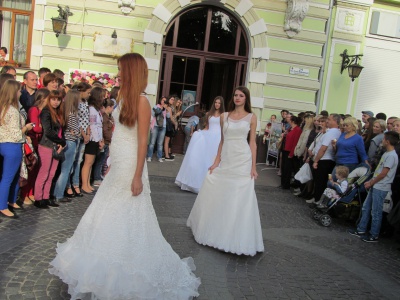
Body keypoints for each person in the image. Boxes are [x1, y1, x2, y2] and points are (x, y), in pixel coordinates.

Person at [49, 53, 200, 299]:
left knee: (126, 212)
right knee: (107, 210)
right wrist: (111, 161)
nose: (118, 73)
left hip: (132, 164)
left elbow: (143, 141)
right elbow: (120, 133)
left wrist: (138, 175)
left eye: (121, 70)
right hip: (119, 163)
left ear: (131, 72)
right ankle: (101, 264)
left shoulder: (142, 101)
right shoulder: (123, 97)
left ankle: (124, 268)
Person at [187, 86, 264, 256]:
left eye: (241, 95)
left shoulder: (252, 117)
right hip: (228, 157)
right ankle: (217, 230)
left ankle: (236, 235)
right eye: (235, 95)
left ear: (246, 98)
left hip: (243, 158)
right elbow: (222, 141)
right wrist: (216, 162)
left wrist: (253, 167)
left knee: (239, 194)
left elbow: (252, 143)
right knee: (220, 188)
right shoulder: (224, 116)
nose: (237, 98)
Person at [349, 131, 399, 242]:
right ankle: (361, 228)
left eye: (384, 139)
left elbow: (383, 173)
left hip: (381, 187)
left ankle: (374, 234)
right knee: (366, 207)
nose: (382, 141)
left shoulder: (391, 156)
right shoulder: (386, 153)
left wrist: (371, 182)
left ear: (388, 141)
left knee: (376, 211)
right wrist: (371, 181)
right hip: (376, 184)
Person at [176, 96, 224, 193]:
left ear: (221, 104)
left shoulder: (223, 115)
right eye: (216, 102)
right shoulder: (209, 114)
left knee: (213, 159)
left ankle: (213, 184)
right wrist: (199, 132)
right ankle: (197, 182)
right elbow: (207, 127)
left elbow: (223, 129)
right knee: (202, 158)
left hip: (218, 137)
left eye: (219, 103)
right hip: (208, 136)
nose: (217, 104)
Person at [0, 80, 34, 218]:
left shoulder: (4, 106)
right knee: (8, 177)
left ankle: (11, 200)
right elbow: (16, 133)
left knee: (12, 176)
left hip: (4, 143)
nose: (21, 92)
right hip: (12, 145)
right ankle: (2, 206)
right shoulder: (12, 110)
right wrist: (26, 128)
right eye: (19, 90)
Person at [34, 90, 65, 209]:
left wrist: (61, 143)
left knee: (51, 174)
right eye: (53, 99)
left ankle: (46, 197)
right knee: (44, 173)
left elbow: (59, 131)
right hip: (46, 145)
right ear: (49, 99)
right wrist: (61, 141)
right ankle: (38, 198)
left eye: (58, 99)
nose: (56, 102)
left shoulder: (57, 112)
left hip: (56, 146)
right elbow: (48, 131)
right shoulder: (46, 112)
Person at [53, 90, 81, 203]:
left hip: (66, 141)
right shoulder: (72, 114)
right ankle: (59, 194)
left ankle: (56, 192)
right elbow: (76, 131)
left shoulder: (64, 112)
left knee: (63, 169)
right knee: (66, 170)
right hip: (70, 142)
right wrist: (78, 133)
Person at [308, 114, 342, 204]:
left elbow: (323, 148)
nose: (327, 121)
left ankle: (317, 199)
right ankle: (316, 197)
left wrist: (316, 161)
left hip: (324, 160)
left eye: (329, 119)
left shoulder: (331, 132)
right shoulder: (334, 131)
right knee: (319, 181)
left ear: (335, 121)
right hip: (326, 159)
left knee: (320, 181)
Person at [67, 82, 91, 198]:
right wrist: (83, 133)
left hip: (84, 135)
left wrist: (88, 132)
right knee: (72, 161)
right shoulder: (76, 103)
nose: (89, 95)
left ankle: (76, 184)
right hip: (77, 134)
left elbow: (87, 118)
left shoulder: (86, 103)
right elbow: (78, 121)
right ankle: (68, 185)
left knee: (79, 161)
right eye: (88, 92)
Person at [80, 87, 104, 194]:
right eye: (102, 96)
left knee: (91, 162)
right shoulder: (91, 109)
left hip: (97, 138)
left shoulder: (97, 109)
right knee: (88, 162)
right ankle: (84, 184)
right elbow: (93, 125)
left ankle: (88, 183)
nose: (104, 98)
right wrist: (98, 140)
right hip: (92, 139)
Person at [93, 98, 115, 185]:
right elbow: (105, 130)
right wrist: (109, 139)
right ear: (108, 107)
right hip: (105, 141)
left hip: (107, 141)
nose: (113, 109)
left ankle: (99, 175)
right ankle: (97, 177)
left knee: (103, 161)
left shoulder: (109, 117)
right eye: (112, 107)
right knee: (100, 161)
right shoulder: (104, 117)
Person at [280, 115, 302, 189]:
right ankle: (283, 183)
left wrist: (291, 153)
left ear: (292, 121)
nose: (287, 119)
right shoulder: (290, 128)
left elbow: (295, 142)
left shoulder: (297, 129)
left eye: (289, 118)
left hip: (290, 151)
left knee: (288, 169)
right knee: (284, 167)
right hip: (285, 149)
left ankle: (286, 184)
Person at [146, 96, 167, 162]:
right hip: (155, 126)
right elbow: (152, 113)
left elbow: (168, 116)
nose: (164, 102)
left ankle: (159, 157)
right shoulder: (155, 107)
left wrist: (166, 109)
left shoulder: (166, 108)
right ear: (160, 100)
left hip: (163, 127)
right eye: (163, 100)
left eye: (165, 101)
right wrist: (160, 109)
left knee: (160, 143)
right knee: (152, 142)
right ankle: (149, 156)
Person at [164, 95, 177, 161]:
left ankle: (165, 154)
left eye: (173, 100)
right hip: (168, 125)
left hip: (163, 125)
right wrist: (175, 124)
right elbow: (171, 118)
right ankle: (166, 156)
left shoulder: (164, 107)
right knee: (167, 141)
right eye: (171, 99)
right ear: (168, 100)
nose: (173, 101)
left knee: (164, 141)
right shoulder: (168, 108)